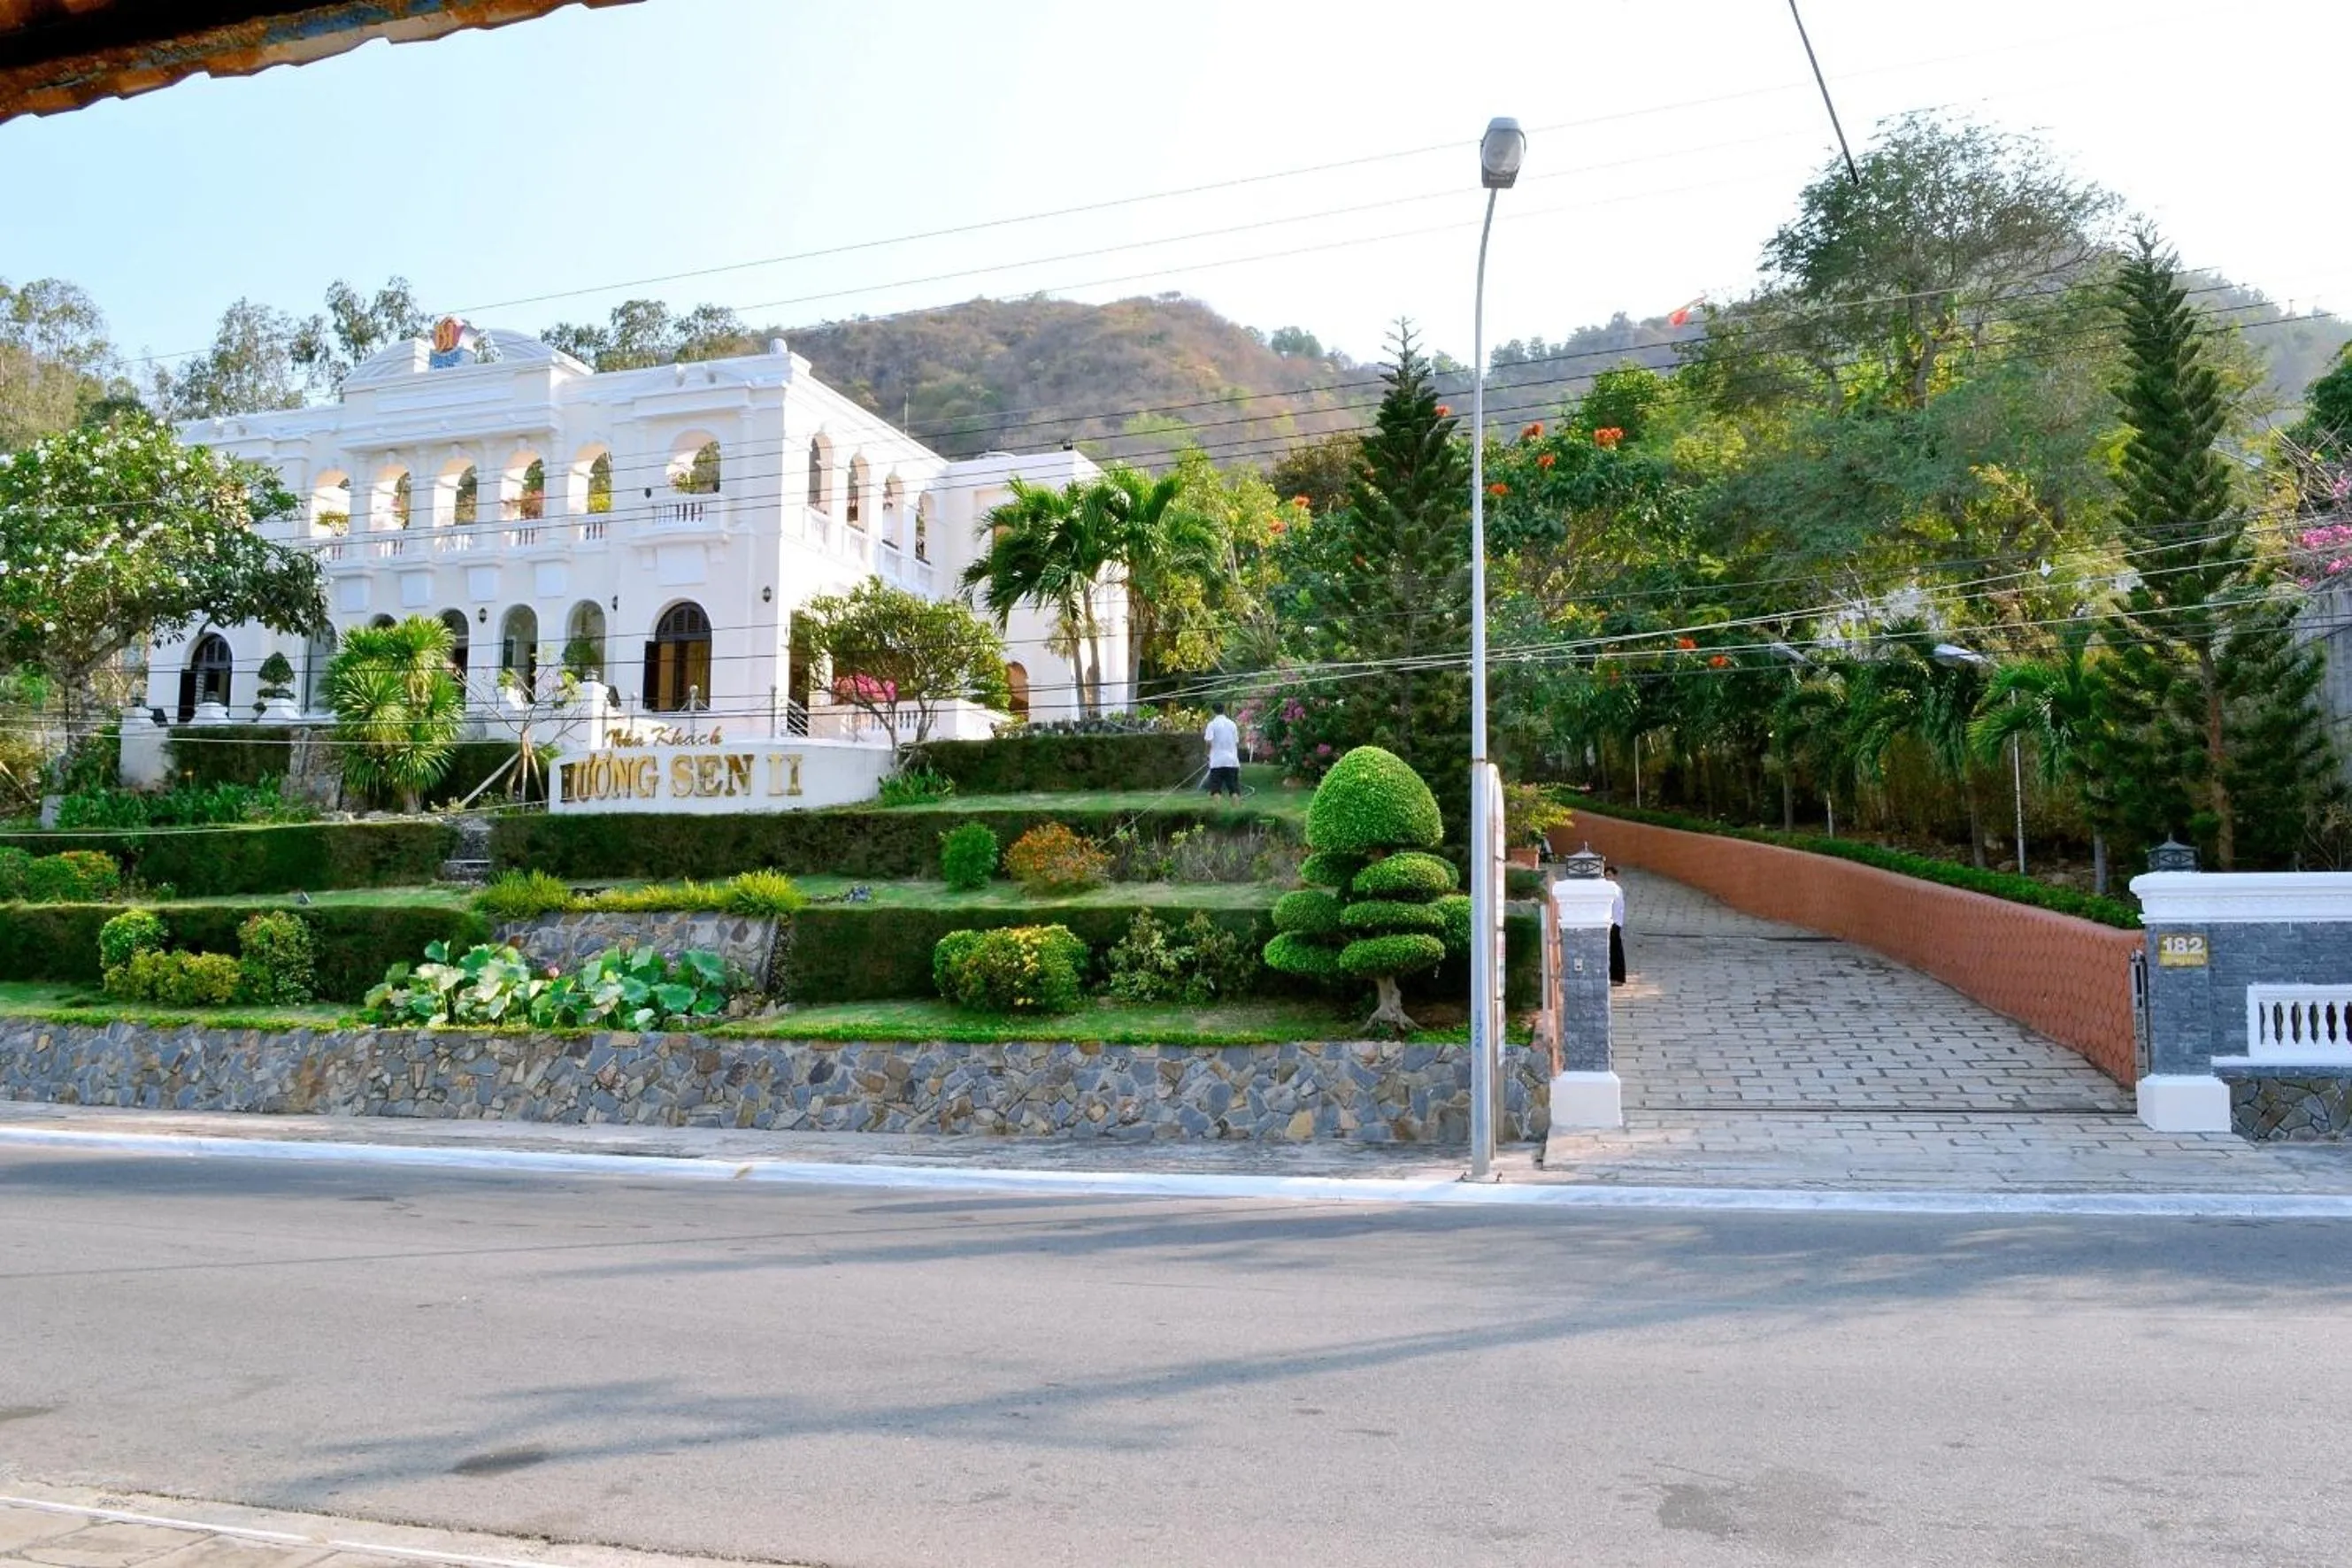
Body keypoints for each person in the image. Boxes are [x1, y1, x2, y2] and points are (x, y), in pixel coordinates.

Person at [1203, 702, 1241, 797]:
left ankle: (1216, 811)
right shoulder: (1232, 724)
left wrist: (1207, 754)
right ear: (1224, 710)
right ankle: (1236, 810)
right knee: (1234, 790)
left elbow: (1208, 741)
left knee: (1215, 790)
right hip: (1232, 761)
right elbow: (1236, 742)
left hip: (1217, 761)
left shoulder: (1211, 725)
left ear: (1213, 711)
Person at [1605, 863, 1627, 986]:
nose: (1608, 878)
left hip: (1614, 923)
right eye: (1606, 876)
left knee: (1615, 951)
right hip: (1612, 922)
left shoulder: (1615, 890)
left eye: (1609, 875)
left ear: (1614, 876)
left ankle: (1618, 977)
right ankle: (1615, 977)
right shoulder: (1612, 889)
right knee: (1613, 950)